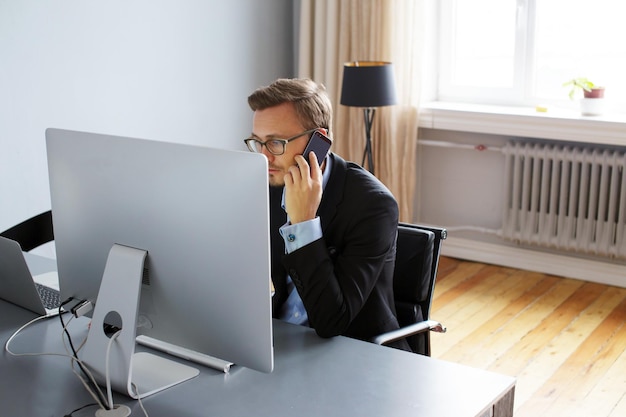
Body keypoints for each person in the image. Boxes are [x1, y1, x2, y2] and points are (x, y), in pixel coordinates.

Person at [245, 78, 409, 351]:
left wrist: (304, 222)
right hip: (281, 340)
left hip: (354, 352)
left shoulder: (373, 206)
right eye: (258, 142)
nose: (264, 156)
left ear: (318, 142)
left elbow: (332, 321)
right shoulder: (268, 184)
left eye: (275, 143)